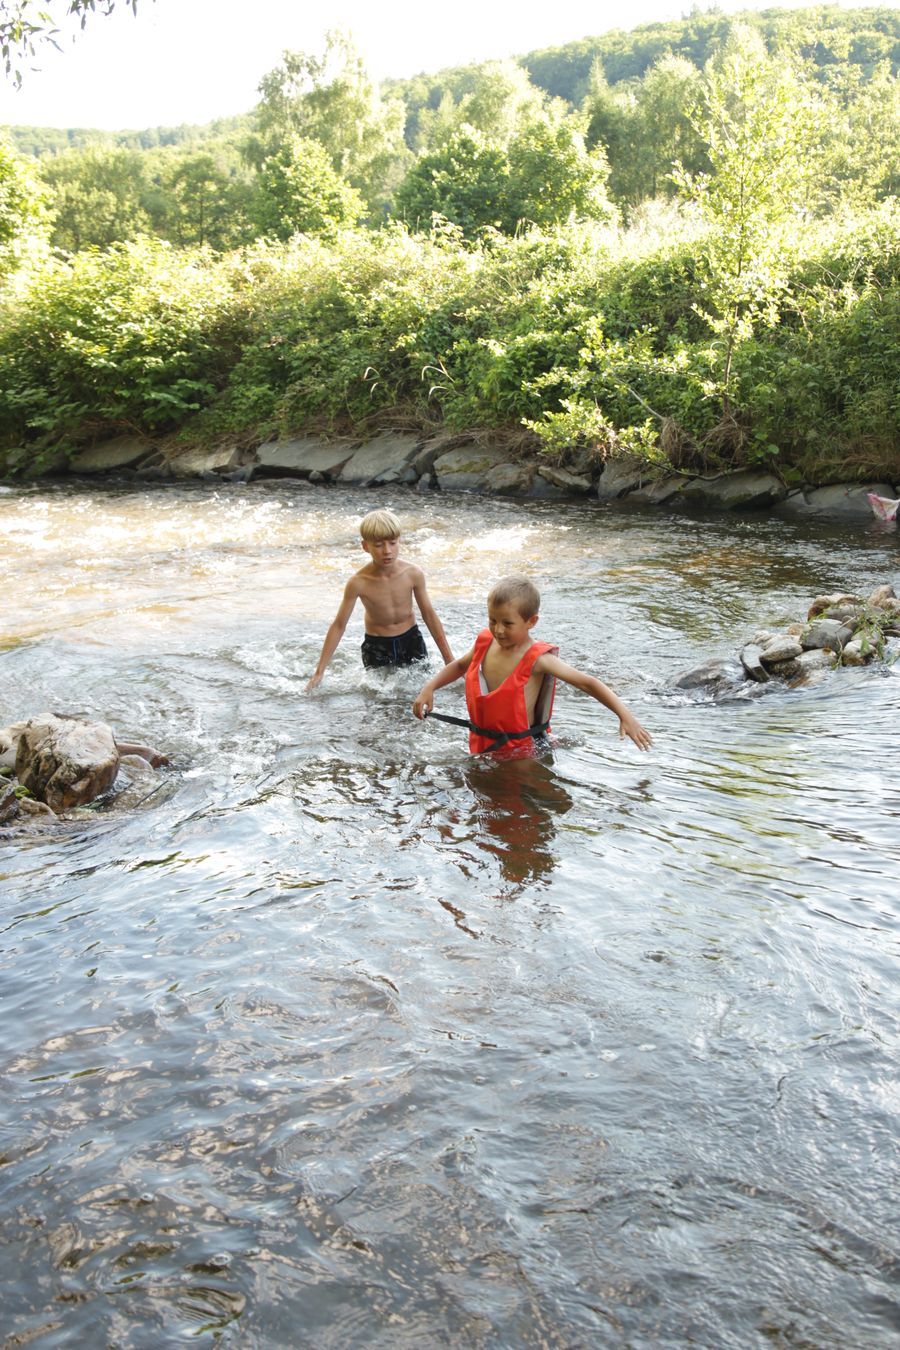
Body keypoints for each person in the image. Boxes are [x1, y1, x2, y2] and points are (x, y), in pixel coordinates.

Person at [412, 574, 652, 755]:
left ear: (531, 621)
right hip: (482, 742)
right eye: (492, 620)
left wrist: (625, 716)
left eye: (507, 623)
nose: (498, 630)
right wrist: (430, 687)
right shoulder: (485, 643)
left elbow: (587, 683)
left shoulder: (538, 659)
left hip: (521, 751)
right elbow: (459, 666)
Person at [306, 509, 454, 690]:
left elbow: (429, 615)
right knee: (380, 698)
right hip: (377, 647)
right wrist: (319, 672)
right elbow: (339, 625)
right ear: (365, 546)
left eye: (392, 543)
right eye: (378, 545)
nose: (387, 551)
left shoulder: (413, 574)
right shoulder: (358, 582)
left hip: (411, 641)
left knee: (422, 691)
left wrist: (450, 661)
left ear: (399, 541)